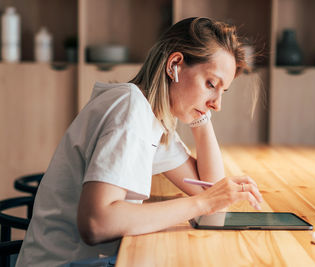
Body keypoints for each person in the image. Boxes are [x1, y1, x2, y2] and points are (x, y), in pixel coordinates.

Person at [16, 17, 263, 266]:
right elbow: (96, 223)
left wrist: (201, 113)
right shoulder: (130, 110)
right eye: (211, 84)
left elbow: (209, 192)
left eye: (222, 91)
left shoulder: (151, 118)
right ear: (175, 64)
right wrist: (201, 203)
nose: (217, 105)